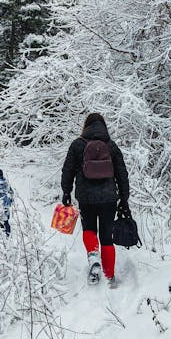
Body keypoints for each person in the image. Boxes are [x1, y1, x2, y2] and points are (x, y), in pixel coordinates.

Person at [61, 112, 129, 287]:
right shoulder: (111, 146)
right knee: (107, 237)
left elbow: (67, 170)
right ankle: (110, 277)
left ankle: (93, 258)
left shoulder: (77, 145)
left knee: (89, 230)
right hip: (109, 199)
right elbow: (122, 174)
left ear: (86, 127)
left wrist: (66, 192)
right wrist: (124, 198)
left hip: (86, 198)